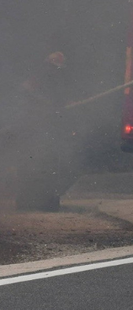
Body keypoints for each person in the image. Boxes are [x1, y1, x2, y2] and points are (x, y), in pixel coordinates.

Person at [14, 51, 75, 212]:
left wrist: (65, 105)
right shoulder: (39, 78)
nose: (55, 71)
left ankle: (49, 202)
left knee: (51, 166)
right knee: (31, 164)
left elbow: (60, 100)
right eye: (53, 67)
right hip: (34, 129)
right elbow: (26, 90)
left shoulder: (57, 80)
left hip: (50, 129)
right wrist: (47, 105)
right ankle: (26, 202)